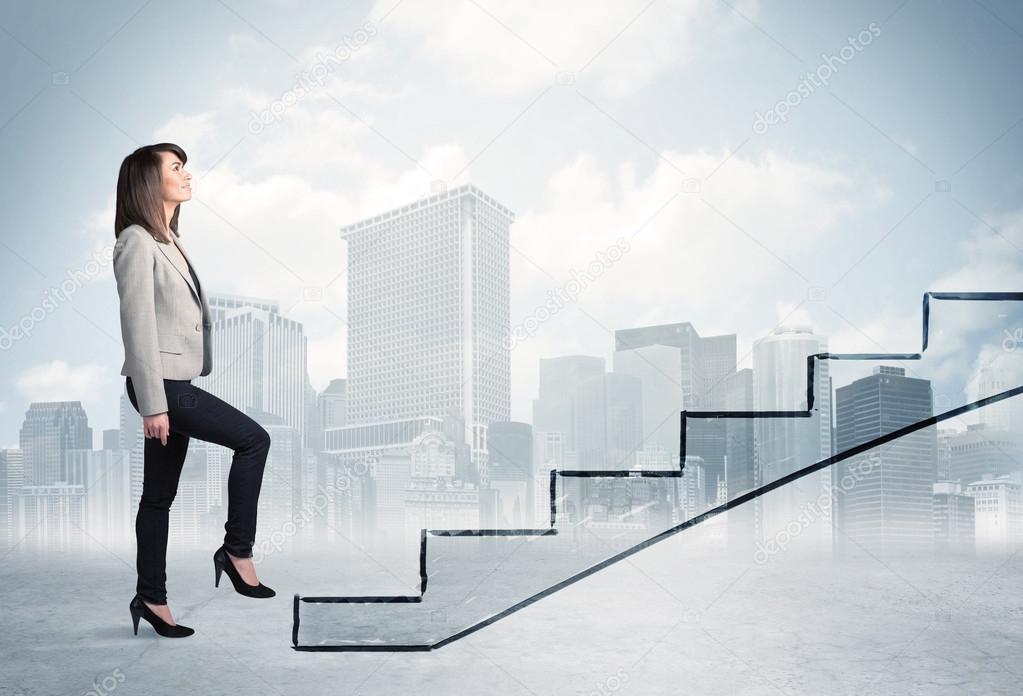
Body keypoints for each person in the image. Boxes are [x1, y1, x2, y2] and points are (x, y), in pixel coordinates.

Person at [114, 143, 276, 639]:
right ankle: (237, 551)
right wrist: (154, 404)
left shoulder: (168, 239)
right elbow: (137, 326)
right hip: (160, 385)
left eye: (185, 167)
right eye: (176, 168)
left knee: (158, 498)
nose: (187, 176)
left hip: (174, 381)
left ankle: (151, 598)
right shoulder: (137, 241)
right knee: (254, 440)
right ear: (149, 181)